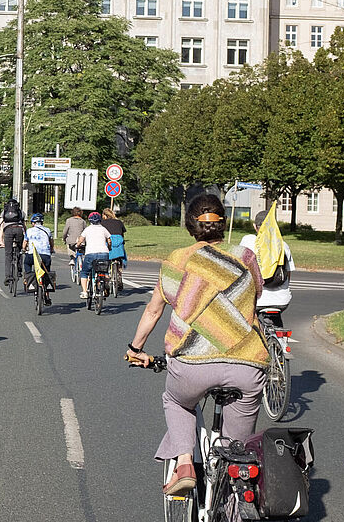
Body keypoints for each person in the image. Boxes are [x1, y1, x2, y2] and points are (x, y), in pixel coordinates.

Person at [126, 194, 267, 496]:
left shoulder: (177, 260)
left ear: (191, 226)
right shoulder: (245, 257)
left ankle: (185, 463)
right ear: (223, 223)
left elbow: (153, 311)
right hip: (247, 362)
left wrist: (135, 348)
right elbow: (256, 294)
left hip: (192, 363)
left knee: (176, 401)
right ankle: (237, 496)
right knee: (238, 452)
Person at [239, 210, 296, 326]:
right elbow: (288, 275)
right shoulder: (283, 245)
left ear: (255, 226)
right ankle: (279, 335)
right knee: (276, 321)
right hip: (282, 300)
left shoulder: (248, 241)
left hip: (257, 300)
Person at [77, 212, 111, 299]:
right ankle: (106, 284)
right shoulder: (103, 229)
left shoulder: (87, 229)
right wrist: (109, 247)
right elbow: (109, 240)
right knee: (105, 271)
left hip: (90, 253)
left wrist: (78, 245)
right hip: (104, 253)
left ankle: (85, 292)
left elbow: (81, 239)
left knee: (84, 272)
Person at [23, 213, 54, 305]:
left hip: (32, 255)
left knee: (27, 263)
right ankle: (47, 295)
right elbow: (51, 241)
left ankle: (29, 278)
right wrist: (51, 249)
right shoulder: (47, 230)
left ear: (33, 223)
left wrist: (24, 249)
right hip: (45, 255)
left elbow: (25, 242)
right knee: (46, 272)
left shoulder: (29, 231)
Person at [0, 199, 26, 285]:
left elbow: (1, 227)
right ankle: (19, 270)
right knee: (19, 250)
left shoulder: (4, 212)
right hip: (19, 230)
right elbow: (24, 226)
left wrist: (1, 241)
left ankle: (8, 276)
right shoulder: (21, 212)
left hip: (8, 231)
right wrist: (26, 239)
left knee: (8, 253)